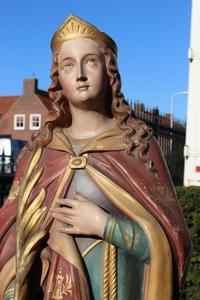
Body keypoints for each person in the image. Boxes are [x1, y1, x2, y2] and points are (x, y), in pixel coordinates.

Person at [0, 15, 191, 300]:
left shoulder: (137, 148)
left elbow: (171, 243)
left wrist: (105, 226)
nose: (79, 74)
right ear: (58, 78)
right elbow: (11, 234)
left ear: (110, 70)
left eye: (90, 61)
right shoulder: (39, 153)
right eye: (68, 65)